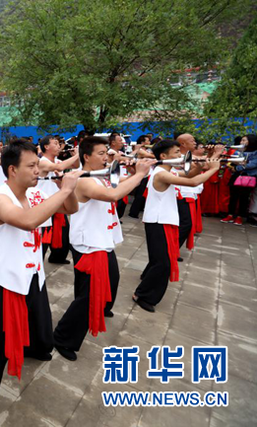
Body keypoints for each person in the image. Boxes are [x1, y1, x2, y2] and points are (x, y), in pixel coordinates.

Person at [0, 140, 81, 427]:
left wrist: (70, 189)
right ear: (12, 170)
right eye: (32, 166)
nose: (38, 170)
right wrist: (63, 189)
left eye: (38, 165)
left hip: (32, 275)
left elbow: (70, 210)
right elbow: (28, 222)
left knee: (40, 322)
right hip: (6, 282)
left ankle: (37, 348)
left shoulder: (36, 193)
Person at [53, 137, 154, 362]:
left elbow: (117, 185)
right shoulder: (84, 180)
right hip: (90, 244)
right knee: (88, 295)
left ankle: (99, 308)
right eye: (100, 153)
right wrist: (139, 174)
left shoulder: (101, 175)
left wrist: (133, 168)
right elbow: (113, 195)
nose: (106, 157)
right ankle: (63, 337)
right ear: (86, 157)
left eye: (106, 153)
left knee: (110, 280)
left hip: (101, 240)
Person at [133, 140, 220, 312]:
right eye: (176, 153)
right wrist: (214, 169)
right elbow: (193, 182)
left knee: (161, 261)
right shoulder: (160, 173)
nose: (179, 156)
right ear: (164, 156)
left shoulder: (168, 170)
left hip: (164, 221)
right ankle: (142, 294)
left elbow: (188, 175)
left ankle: (144, 290)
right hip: (158, 222)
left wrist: (200, 166)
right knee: (163, 263)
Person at [38, 135, 80, 264]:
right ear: (46, 147)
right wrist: (80, 154)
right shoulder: (42, 161)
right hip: (44, 206)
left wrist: (77, 154)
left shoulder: (56, 160)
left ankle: (57, 258)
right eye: (55, 143)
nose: (58, 146)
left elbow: (76, 165)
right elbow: (61, 167)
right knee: (43, 240)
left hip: (58, 204)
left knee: (63, 235)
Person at [221, 135, 257, 225]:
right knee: (233, 196)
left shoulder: (256, 152)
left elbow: (252, 165)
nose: (241, 142)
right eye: (241, 140)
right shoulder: (238, 151)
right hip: (236, 176)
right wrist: (235, 165)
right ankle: (230, 215)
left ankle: (239, 217)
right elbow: (233, 161)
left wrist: (238, 167)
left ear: (251, 141)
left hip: (248, 177)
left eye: (244, 140)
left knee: (244, 197)